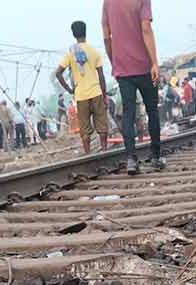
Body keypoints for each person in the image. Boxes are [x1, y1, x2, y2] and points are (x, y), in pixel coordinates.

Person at [102, 0, 165, 174]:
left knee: (128, 113)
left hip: (123, 69)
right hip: (144, 65)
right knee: (152, 110)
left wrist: (114, 60)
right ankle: (156, 156)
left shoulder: (108, 2)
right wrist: (154, 63)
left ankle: (131, 159)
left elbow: (106, 36)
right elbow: (146, 28)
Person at [56, 20, 110, 154]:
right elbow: (101, 76)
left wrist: (69, 89)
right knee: (102, 127)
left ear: (74, 34)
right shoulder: (94, 51)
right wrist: (104, 95)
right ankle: (104, 151)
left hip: (81, 96)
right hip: (96, 92)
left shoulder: (70, 53)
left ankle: (88, 155)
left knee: (85, 130)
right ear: (85, 32)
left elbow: (58, 73)